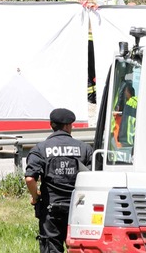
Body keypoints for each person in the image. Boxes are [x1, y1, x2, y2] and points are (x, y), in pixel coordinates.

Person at [26, 108, 93, 253]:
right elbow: (92, 177)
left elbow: (30, 178)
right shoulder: (84, 148)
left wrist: (35, 196)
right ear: (69, 125)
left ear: (51, 125)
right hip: (79, 207)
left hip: (51, 209)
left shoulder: (40, 149)